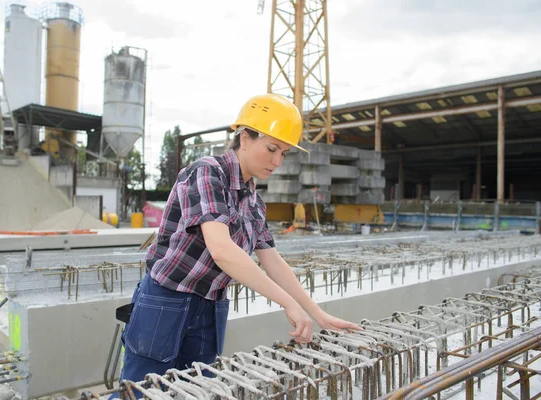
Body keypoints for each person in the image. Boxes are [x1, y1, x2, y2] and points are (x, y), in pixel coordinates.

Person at [115, 93, 362, 396]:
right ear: (245, 138)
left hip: (210, 306)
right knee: (143, 391)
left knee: (195, 390)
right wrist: (287, 303)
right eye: (272, 148)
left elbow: (273, 262)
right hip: (167, 299)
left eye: (283, 153)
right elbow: (222, 251)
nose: (277, 161)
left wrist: (318, 314)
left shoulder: (253, 200)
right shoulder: (207, 172)